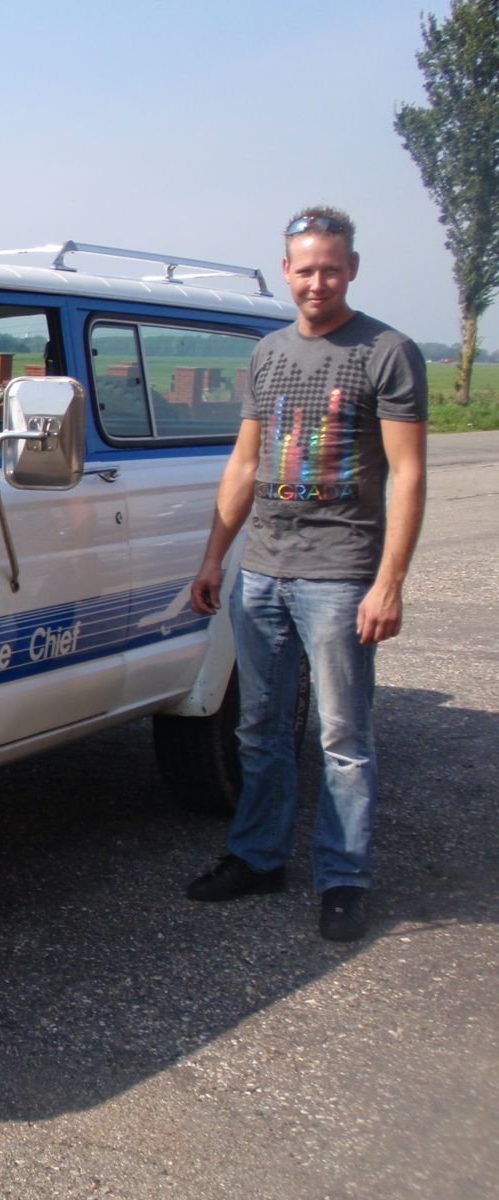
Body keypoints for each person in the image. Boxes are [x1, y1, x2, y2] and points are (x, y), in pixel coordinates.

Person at [185, 206, 428, 942]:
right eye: (304, 267)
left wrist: (389, 583)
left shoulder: (387, 351)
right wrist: (213, 555)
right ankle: (258, 856)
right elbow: (245, 464)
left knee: (343, 739)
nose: (316, 280)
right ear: (286, 270)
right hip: (262, 572)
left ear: (351, 268)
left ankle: (344, 877)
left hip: (340, 574)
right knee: (260, 729)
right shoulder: (268, 355)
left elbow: (410, 475)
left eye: (330, 267)